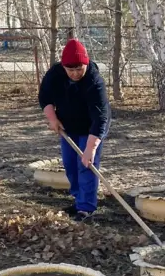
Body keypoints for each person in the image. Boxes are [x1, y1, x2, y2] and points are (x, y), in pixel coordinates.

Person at [38, 38, 111, 220]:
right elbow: (44, 97)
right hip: (68, 126)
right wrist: (53, 119)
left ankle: (86, 207)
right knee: (71, 165)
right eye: (71, 70)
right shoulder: (55, 74)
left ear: (85, 65)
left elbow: (100, 118)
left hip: (91, 128)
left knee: (86, 164)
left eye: (79, 69)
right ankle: (79, 200)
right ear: (64, 67)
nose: (75, 73)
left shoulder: (94, 82)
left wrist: (90, 148)